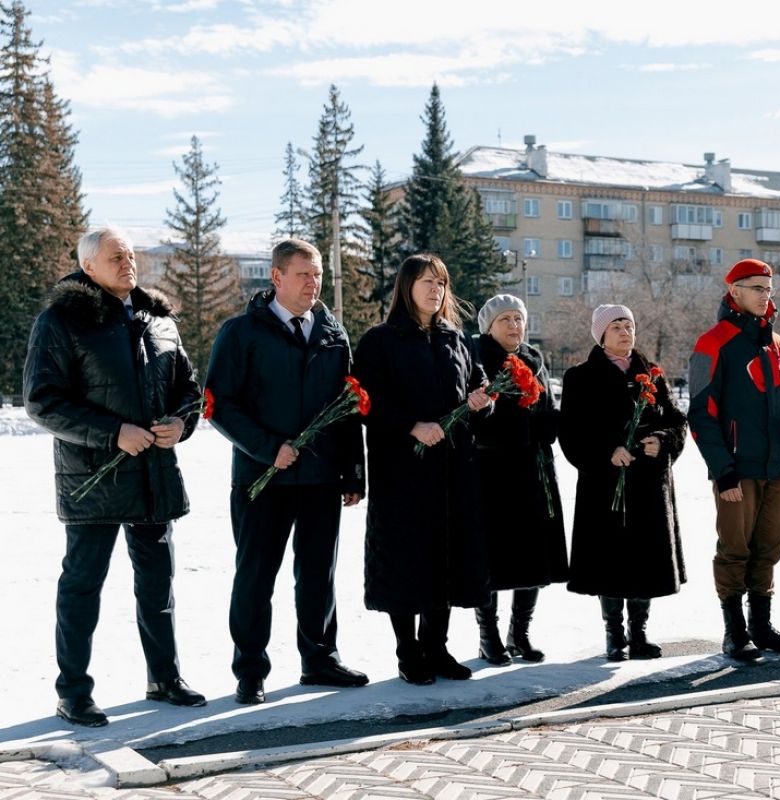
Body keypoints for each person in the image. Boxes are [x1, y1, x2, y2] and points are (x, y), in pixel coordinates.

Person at [24, 227, 206, 727]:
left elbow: (189, 390)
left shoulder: (161, 320)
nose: (128, 262)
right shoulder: (61, 321)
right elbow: (42, 400)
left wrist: (181, 423)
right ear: (88, 267)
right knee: (82, 585)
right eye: (115, 256)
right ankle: (73, 692)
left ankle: (164, 678)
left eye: (130, 254)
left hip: (154, 474)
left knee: (157, 583)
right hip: (92, 476)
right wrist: (113, 433)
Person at [206, 238, 367, 705]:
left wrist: (353, 472)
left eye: (317, 274)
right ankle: (250, 670)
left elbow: (348, 407)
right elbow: (219, 405)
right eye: (303, 274)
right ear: (276, 277)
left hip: (319, 479)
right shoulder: (241, 333)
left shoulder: (333, 334)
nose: (313, 283)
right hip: (263, 480)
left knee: (319, 572)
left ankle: (319, 658)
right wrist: (265, 448)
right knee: (256, 574)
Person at [352, 254, 492, 685]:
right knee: (406, 559)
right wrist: (411, 426)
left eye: (442, 283)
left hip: (453, 469)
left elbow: (478, 387)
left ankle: (437, 645)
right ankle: (407, 650)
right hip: (403, 472)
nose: (436, 290)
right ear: (406, 286)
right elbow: (365, 401)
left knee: (446, 557)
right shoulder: (381, 340)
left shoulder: (456, 338)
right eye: (427, 281)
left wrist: (483, 403)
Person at [688, 258, 780, 662]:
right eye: (756, 288)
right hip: (737, 470)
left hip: (779, 467)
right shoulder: (712, 342)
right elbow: (701, 414)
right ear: (734, 292)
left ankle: (762, 626)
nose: (765, 295)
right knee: (735, 549)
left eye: (768, 288)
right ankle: (734, 631)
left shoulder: (779, 345)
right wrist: (722, 472)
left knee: (769, 548)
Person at [560, 305, 687, 661]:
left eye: (629, 325)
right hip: (606, 484)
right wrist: (606, 451)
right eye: (616, 326)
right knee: (610, 559)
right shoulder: (580, 377)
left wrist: (663, 440)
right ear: (601, 335)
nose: (625, 332)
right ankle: (614, 635)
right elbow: (570, 433)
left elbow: (678, 421)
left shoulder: (653, 375)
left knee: (645, 559)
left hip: (648, 481)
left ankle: (640, 633)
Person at [470, 294, 568, 665]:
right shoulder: (479, 359)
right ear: (489, 326)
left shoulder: (533, 359)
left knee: (534, 553)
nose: (514, 326)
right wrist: (523, 427)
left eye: (518, 318)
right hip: (493, 471)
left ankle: (520, 632)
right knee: (493, 556)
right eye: (505, 319)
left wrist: (549, 423)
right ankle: (488, 635)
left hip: (534, 468)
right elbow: (479, 418)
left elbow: (546, 408)